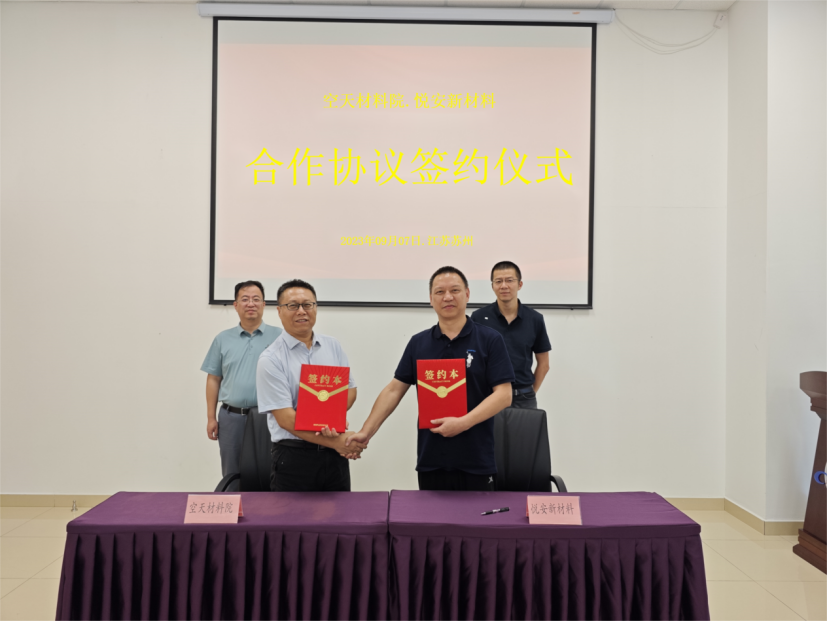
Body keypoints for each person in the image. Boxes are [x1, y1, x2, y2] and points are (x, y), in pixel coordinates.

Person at [347, 266, 514, 491]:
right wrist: (366, 432)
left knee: (478, 515)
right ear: (431, 299)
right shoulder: (419, 343)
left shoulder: (490, 339)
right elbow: (394, 390)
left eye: (455, 290)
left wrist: (463, 423)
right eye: (440, 292)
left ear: (467, 294)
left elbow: (504, 395)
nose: (447, 297)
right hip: (432, 459)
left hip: (477, 459)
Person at [256, 279, 366, 492]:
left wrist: (330, 418)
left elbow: (350, 390)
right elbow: (285, 419)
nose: (301, 311)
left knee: (340, 512)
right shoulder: (270, 359)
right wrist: (337, 442)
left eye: (308, 304)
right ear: (279, 311)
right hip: (294, 456)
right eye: (293, 305)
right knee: (293, 515)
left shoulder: (332, 345)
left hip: (334, 457)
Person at [201, 280, 282, 479]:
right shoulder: (222, 339)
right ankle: (233, 500)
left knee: (271, 470)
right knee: (232, 471)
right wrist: (211, 418)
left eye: (256, 299)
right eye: (245, 299)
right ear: (236, 305)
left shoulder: (280, 337)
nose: (250, 304)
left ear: (264, 304)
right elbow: (214, 379)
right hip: (231, 417)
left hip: (269, 416)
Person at [471, 261, 551, 410]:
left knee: (527, 427)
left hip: (524, 397)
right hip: (488, 396)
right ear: (492, 286)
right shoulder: (479, 318)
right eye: (498, 281)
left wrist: (530, 392)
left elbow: (544, 364)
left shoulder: (535, 319)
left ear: (520, 284)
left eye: (509, 280)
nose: (504, 286)